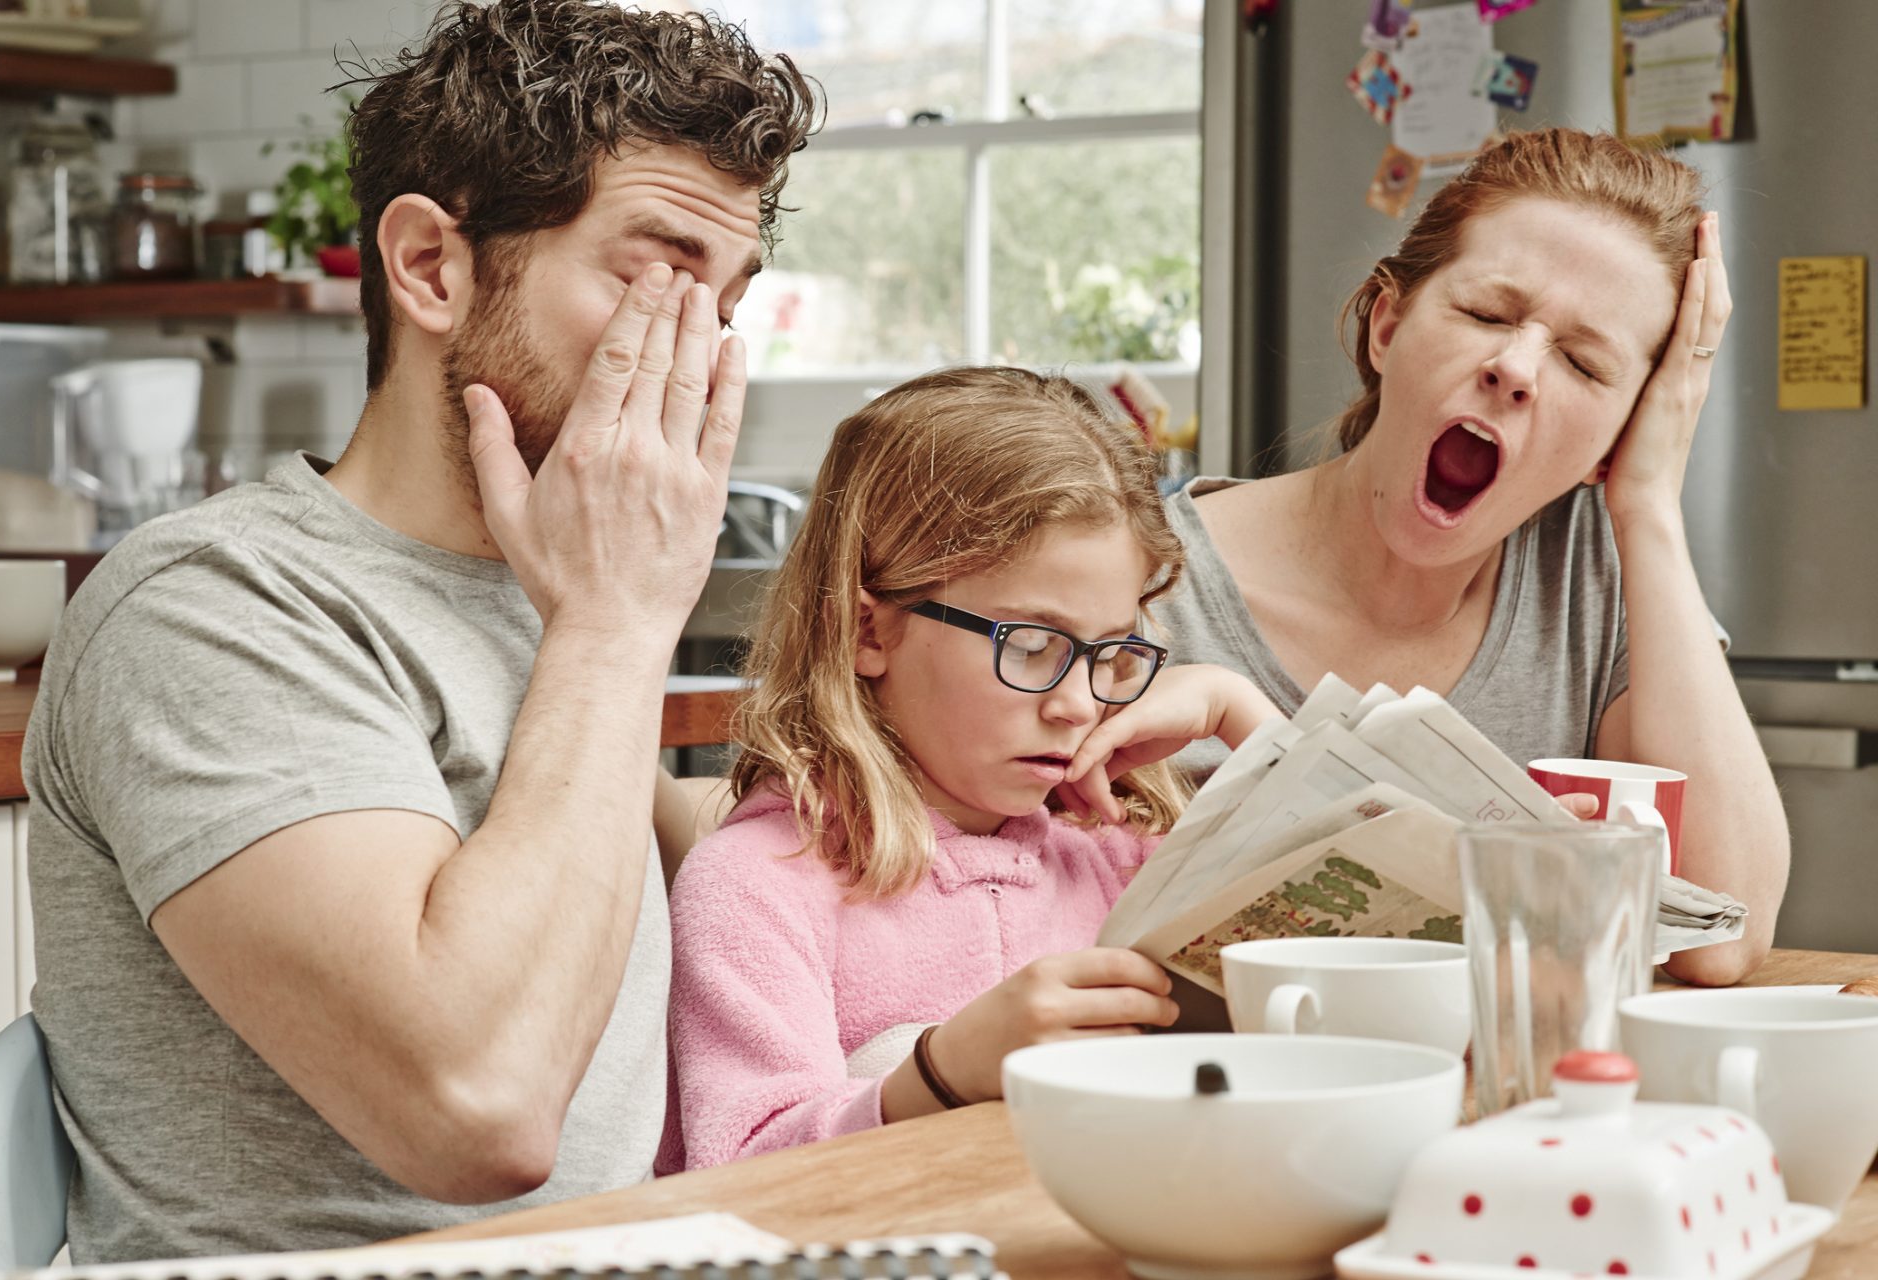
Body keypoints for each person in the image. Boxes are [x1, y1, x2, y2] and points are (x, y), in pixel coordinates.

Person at [19, 1, 817, 1261]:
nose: (701, 354)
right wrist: (614, 627)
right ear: (431, 267)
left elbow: (723, 890)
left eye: (725, 301)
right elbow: (475, 1105)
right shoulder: (211, 606)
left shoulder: (545, 588)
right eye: (659, 274)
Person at [1063, 128, 1785, 988]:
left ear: (1618, 436)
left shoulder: (1600, 576)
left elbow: (1723, 935)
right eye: (1486, 314)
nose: (1516, 367)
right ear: (1388, 324)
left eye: (1586, 365)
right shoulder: (1138, 584)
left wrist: (1650, 504)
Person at [657, 367, 1281, 1172]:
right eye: (1030, 645)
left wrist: (1241, 712)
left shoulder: (1119, 858)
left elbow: (1381, 975)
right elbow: (741, 1173)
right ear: (865, 629)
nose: (1076, 705)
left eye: (1110, 654)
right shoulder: (756, 888)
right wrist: (937, 1075)